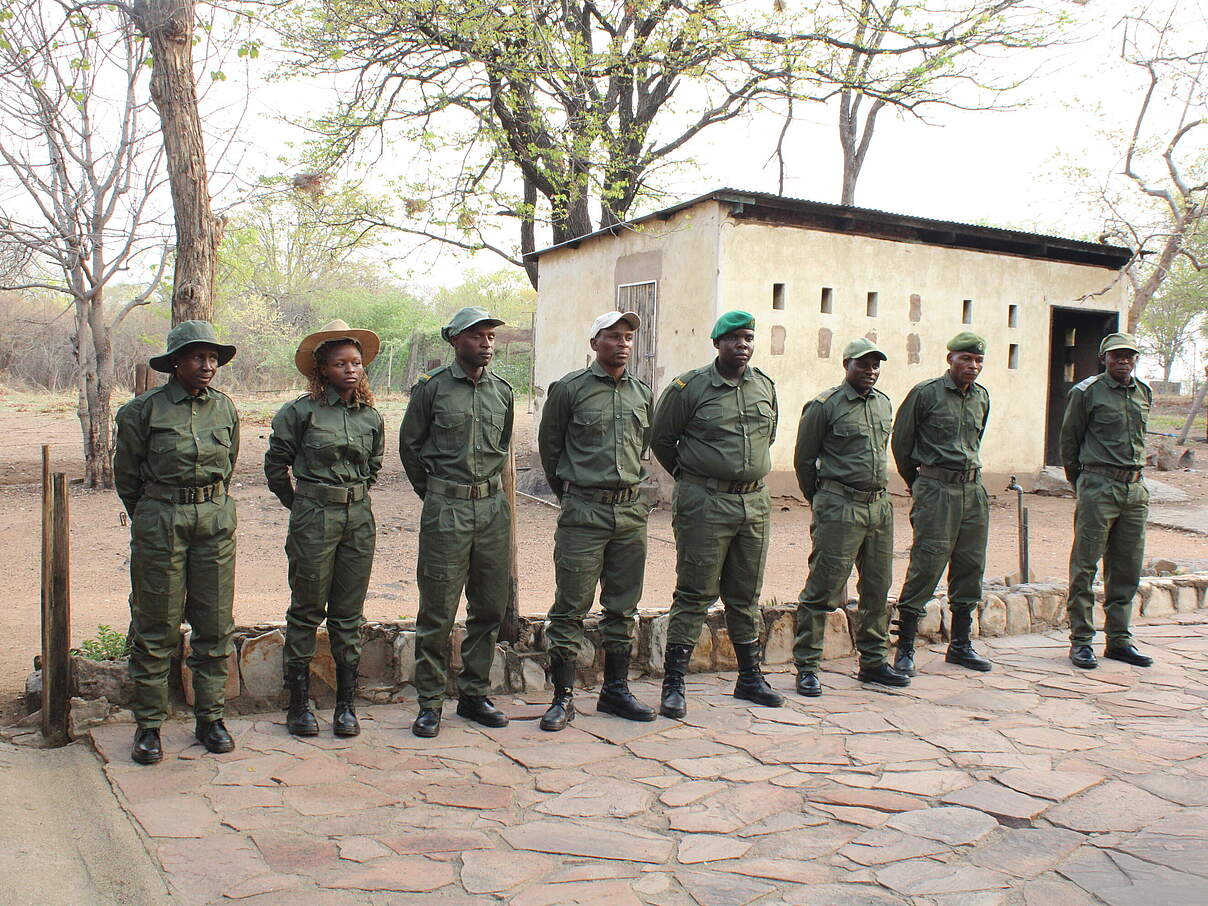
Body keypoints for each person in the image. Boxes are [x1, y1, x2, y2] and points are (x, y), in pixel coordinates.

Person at [114, 320, 240, 766]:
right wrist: (154, 514)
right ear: (174, 363)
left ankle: (210, 717)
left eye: (212, 358)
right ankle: (149, 725)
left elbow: (228, 465)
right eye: (197, 357)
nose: (207, 366)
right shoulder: (141, 411)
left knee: (215, 622)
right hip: (161, 519)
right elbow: (127, 477)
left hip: (215, 519)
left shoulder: (224, 409)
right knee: (156, 624)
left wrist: (209, 506)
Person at [650, 310, 784, 718]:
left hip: (754, 504)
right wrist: (695, 478)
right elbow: (661, 439)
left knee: (745, 595)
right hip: (705, 502)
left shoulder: (764, 387)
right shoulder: (688, 388)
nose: (742, 345)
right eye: (733, 339)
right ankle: (674, 683)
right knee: (694, 593)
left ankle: (750, 677)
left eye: (747, 338)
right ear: (717, 344)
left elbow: (769, 436)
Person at [265, 320, 385, 738]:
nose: (351, 370)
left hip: (358, 518)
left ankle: (346, 705)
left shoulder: (370, 416)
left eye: (356, 363)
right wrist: (300, 506)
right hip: (314, 516)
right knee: (307, 609)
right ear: (322, 370)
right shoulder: (300, 412)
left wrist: (349, 498)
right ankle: (298, 705)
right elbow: (275, 467)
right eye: (340, 364)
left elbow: (372, 467)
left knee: (348, 613)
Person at [537, 311, 655, 732]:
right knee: (570, 606)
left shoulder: (642, 393)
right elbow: (551, 450)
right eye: (612, 337)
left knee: (622, 607)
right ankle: (562, 698)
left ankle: (616, 691)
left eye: (627, 337)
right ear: (595, 343)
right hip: (583, 512)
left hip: (629, 513)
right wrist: (573, 496)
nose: (622, 344)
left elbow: (646, 445)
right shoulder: (570, 390)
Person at [400, 306, 514, 738]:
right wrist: (435, 495)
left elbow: (501, 447)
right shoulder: (431, 389)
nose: (486, 344)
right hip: (446, 507)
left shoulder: (502, 392)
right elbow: (410, 447)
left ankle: (473, 694)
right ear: (454, 340)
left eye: (490, 337)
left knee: (488, 605)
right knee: (438, 608)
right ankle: (430, 702)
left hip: (491, 510)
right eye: (476, 336)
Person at [793, 339, 909, 696]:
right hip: (840, 506)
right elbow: (804, 461)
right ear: (847, 364)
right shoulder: (825, 406)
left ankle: (873, 662)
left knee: (877, 587)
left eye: (876, 365)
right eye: (863, 364)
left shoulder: (883, 404)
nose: (871, 371)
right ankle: (807, 665)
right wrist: (824, 501)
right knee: (823, 587)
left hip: (878, 506)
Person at [890, 332, 994, 675]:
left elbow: (975, 441)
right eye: (966, 359)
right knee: (927, 563)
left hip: (972, 491)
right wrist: (918, 484)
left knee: (970, 566)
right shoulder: (926, 394)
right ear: (950, 359)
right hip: (936, 489)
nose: (973, 366)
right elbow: (902, 443)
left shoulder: (981, 397)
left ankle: (961, 645)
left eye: (978, 361)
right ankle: (905, 645)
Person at [1060, 333, 1154, 670]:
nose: (1123, 361)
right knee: (1085, 565)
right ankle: (1081, 640)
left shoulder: (1143, 392)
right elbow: (1069, 443)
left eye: (1129, 356)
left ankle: (1119, 640)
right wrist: (1083, 484)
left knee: (1127, 567)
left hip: (1134, 490)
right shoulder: (1086, 392)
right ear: (1103, 358)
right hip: (1099, 487)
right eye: (1116, 356)